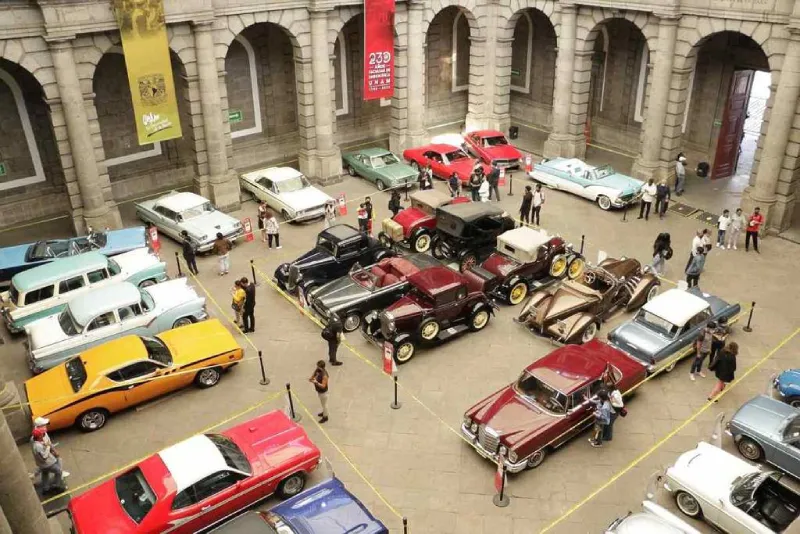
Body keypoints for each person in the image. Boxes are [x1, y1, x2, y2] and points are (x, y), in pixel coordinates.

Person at [32, 427, 65, 494]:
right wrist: (48, 446)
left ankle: (46, 488)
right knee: (58, 471)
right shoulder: (38, 446)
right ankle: (57, 487)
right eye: (41, 434)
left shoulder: (36, 443)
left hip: (41, 464)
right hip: (47, 464)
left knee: (45, 474)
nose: (43, 435)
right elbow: (44, 456)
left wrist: (45, 445)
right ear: (39, 436)